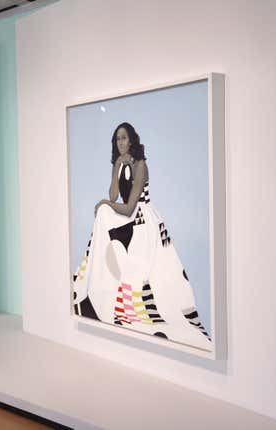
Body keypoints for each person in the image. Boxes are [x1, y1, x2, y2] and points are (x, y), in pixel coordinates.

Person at [71, 122, 211, 348]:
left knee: (106, 211)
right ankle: (94, 279)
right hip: (128, 214)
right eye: (117, 139)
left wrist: (105, 204)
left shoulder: (141, 166)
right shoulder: (121, 163)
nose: (121, 142)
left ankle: (133, 302)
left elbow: (128, 207)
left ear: (132, 140)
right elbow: (114, 195)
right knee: (105, 212)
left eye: (124, 138)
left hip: (141, 219)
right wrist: (116, 167)